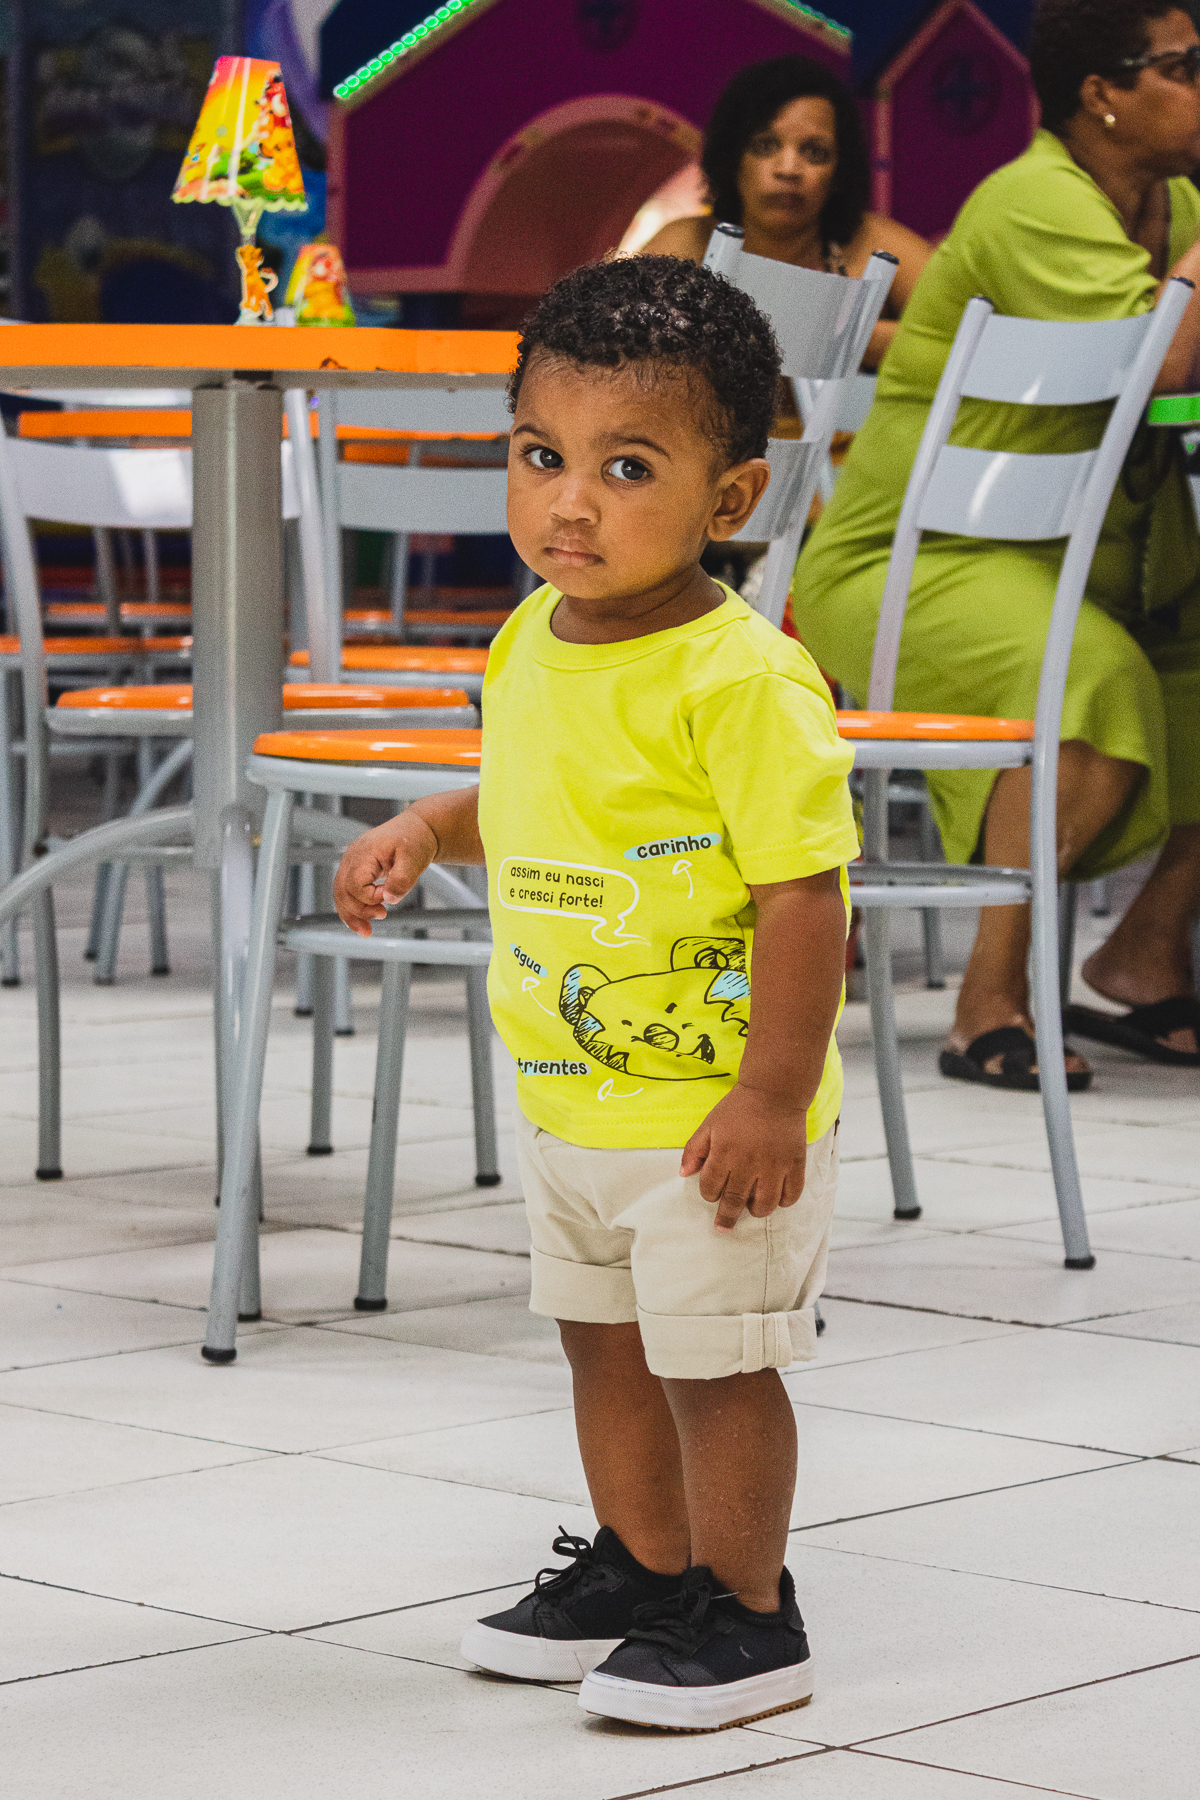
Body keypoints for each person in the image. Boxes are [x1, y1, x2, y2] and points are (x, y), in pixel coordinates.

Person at [333, 256, 858, 1732]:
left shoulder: (741, 680)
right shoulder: (529, 639)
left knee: (716, 1366)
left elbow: (805, 895)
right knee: (602, 1339)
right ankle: (643, 1560)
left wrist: (771, 1097)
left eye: (627, 469)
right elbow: (531, 799)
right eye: (539, 455)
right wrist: (428, 826)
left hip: (711, 1121)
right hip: (574, 1098)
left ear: (729, 498)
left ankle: (748, 1616)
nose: (570, 502)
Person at [793, 0, 1200, 1088]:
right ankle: (987, 1003)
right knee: (1092, 680)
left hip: (1077, 562)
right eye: (1185, 65)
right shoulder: (1035, 199)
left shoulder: (1180, 207)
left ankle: (1145, 951)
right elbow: (1164, 362)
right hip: (909, 562)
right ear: (1101, 94)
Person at [643, 55, 930, 370]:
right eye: (765, 147)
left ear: (839, 173)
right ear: (732, 160)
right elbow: (615, 338)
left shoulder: (879, 245)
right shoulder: (685, 243)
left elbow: (961, 346)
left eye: (814, 152)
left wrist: (822, 333)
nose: (789, 169)